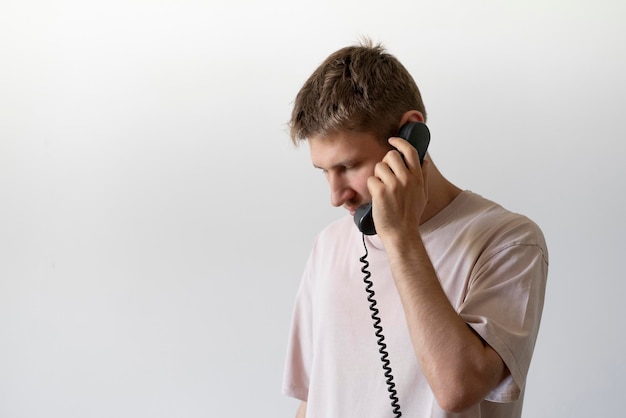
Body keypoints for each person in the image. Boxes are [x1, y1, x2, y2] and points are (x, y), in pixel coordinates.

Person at [282, 39, 548, 418]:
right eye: (324, 172)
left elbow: (458, 388)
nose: (336, 196)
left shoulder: (509, 241)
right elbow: (314, 399)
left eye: (348, 166)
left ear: (411, 138)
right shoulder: (329, 246)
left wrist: (401, 237)